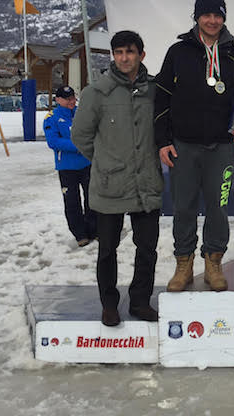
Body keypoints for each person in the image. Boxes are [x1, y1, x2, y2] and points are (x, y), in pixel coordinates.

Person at [154, 0, 234, 293]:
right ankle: (183, 264)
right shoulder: (178, 53)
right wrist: (163, 140)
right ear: (197, 16)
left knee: (218, 206)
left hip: (221, 147)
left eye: (217, 15)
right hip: (184, 146)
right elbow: (161, 99)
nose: (212, 20)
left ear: (224, 17)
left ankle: (213, 262)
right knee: (184, 206)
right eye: (206, 14)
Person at [72, 31, 163, 327]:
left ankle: (139, 302)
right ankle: (108, 305)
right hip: (110, 186)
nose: (125, 58)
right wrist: (104, 163)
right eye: (119, 52)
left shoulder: (154, 91)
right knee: (107, 250)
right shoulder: (96, 92)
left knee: (147, 247)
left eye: (130, 52)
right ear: (113, 56)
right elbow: (81, 136)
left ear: (141, 55)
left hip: (147, 183)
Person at [43, 85, 96, 247]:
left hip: (87, 164)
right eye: (67, 99)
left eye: (73, 98)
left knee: (92, 199)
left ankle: (94, 230)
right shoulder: (51, 117)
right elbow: (53, 141)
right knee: (72, 202)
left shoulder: (82, 112)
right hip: (67, 167)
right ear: (58, 100)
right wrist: (78, 145)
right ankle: (80, 234)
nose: (71, 102)